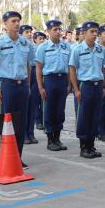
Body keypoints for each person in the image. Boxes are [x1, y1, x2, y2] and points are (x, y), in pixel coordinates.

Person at [0, 11, 35, 165]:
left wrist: (27, 83)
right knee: (6, 122)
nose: (17, 24)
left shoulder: (26, 43)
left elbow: (29, 64)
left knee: (20, 122)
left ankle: (17, 158)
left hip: (22, 85)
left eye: (18, 21)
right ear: (5, 24)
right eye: (13, 21)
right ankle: (6, 159)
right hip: (6, 85)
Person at [68, 21, 105, 158]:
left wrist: (103, 85)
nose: (95, 34)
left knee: (95, 116)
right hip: (85, 85)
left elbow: (102, 68)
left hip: (98, 84)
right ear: (84, 33)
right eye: (92, 32)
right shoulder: (77, 50)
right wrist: (76, 89)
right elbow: (72, 68)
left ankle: (91, 145)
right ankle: (84, 146)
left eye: (96, 32)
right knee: (84, 116)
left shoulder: (100, 49)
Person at [34, 20, 71, 151]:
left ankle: (57, 138)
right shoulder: (43, 47)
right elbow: (38, 68)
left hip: (62, 80)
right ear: (48, 32)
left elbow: (70, 67)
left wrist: (69, 84)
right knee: (49, 111)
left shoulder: (66, 47)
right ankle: (50, 140)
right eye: (55, 29)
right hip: (49, 80)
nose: (58, 32)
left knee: (60, 111)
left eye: (59, 29)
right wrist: (40, 87)